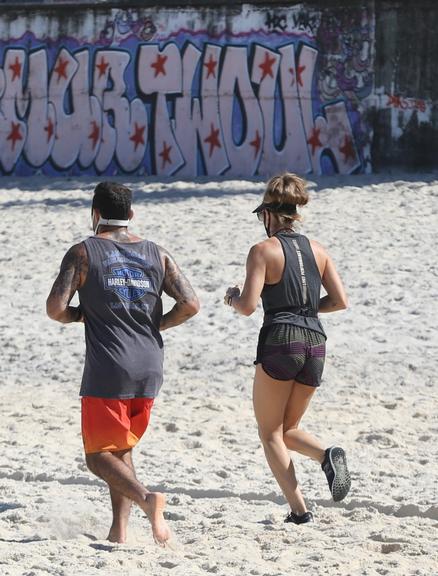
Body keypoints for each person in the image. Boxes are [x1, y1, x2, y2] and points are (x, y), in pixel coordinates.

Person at [46, 181, 199, 545]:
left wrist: (83, 316)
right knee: (121, 448)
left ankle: (148, 500)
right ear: (130, 215)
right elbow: (191, 304)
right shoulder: (156, 253)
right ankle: (120, 531)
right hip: (149, 366)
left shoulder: (84, 252)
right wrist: (155, 324)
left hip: (109, 369)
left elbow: (55, 309)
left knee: (98, 457)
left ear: (95, 214)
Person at [224, 173, 350, 525]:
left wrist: (232, 297)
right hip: (315, 342)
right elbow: (340, 301)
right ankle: (328, 454)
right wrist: (307, 309)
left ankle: (300, 511)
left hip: (281, 339)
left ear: (268, 213)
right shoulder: (319, 250)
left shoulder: (263, 250)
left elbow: (249, 306)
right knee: (288, 428)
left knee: (269, 433)